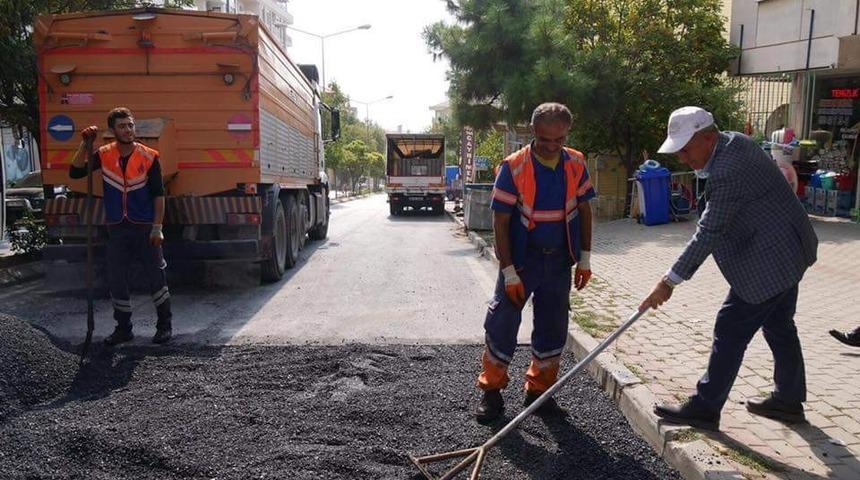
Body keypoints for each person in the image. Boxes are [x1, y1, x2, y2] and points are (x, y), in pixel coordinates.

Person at [640, 106, 818, 431]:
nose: (681, 158)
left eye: (685, 148)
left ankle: (705, 407)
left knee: (730, 326)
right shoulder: (733, 142)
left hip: (773, 257)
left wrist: (668, 281)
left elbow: (709, 231)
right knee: (779, 324)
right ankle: (789, 401)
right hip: (789, 247)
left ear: (708, 137)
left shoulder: (728, 168)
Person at [475, 102, 595, 423]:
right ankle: (492, 392)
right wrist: (510, 273)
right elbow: (500, 222)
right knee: (502, 322)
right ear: (533, 132)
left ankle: (539, 392)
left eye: (559, 140)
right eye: (545, 140)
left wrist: (584, 259)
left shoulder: (576, 163)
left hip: (558, 262)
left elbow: (584, 210)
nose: (552, 147)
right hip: (522, 261)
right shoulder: (513, 167)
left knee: (553, 325)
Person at [70, 107, 173, 345]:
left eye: (130, 125)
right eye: (122, 126)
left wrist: (157, 226)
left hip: (145, 227)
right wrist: (85, 145)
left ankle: (165, 326)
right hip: (117, 227)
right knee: (116, 279)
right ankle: (124, 328)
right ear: (113, 130)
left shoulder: (149, 156)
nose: (128, 130)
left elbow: (159, 194)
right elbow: (75, 172)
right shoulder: (104, 154)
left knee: (156, 276)